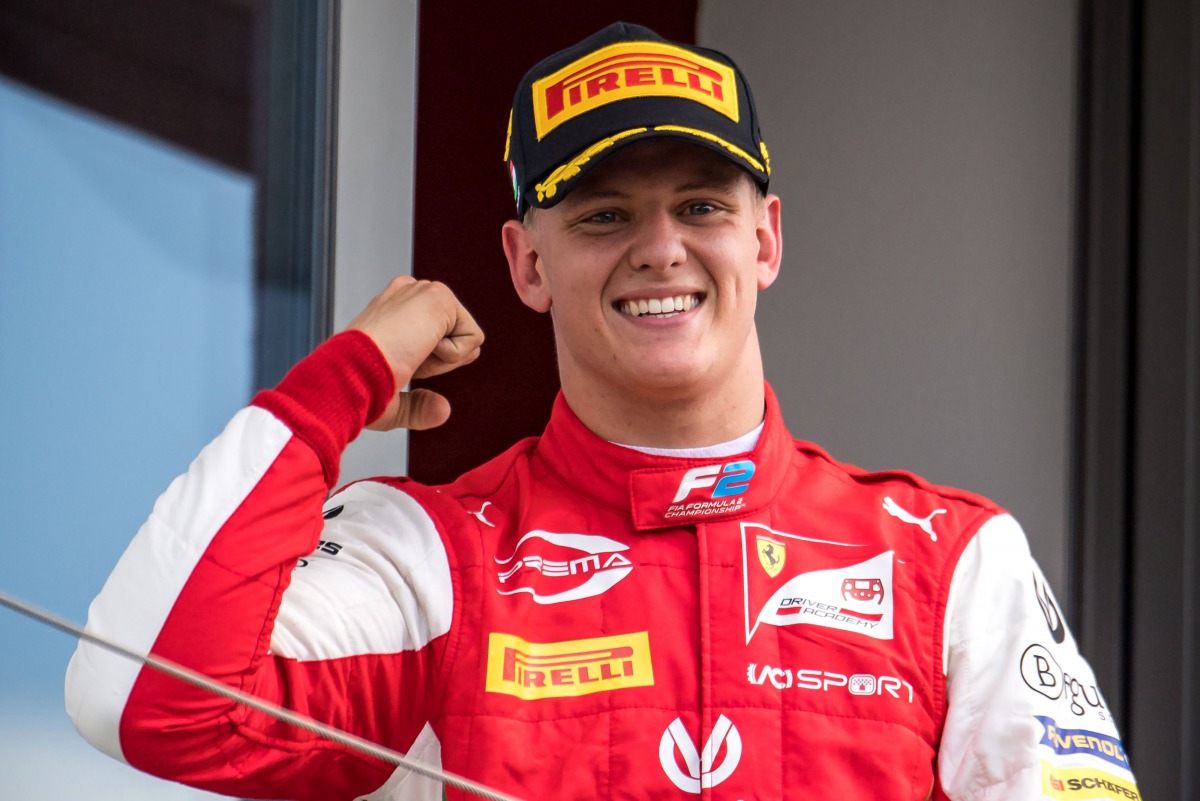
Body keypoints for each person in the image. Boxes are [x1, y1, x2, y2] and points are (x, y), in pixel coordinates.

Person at [66, 22, 1139, 801]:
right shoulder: (431, 556)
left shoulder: (950, 561)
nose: (660, 248)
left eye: (702, 206)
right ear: (526, 263)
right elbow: (143, 702)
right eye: (606, 212)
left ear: (765, 239)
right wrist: (336, 388)